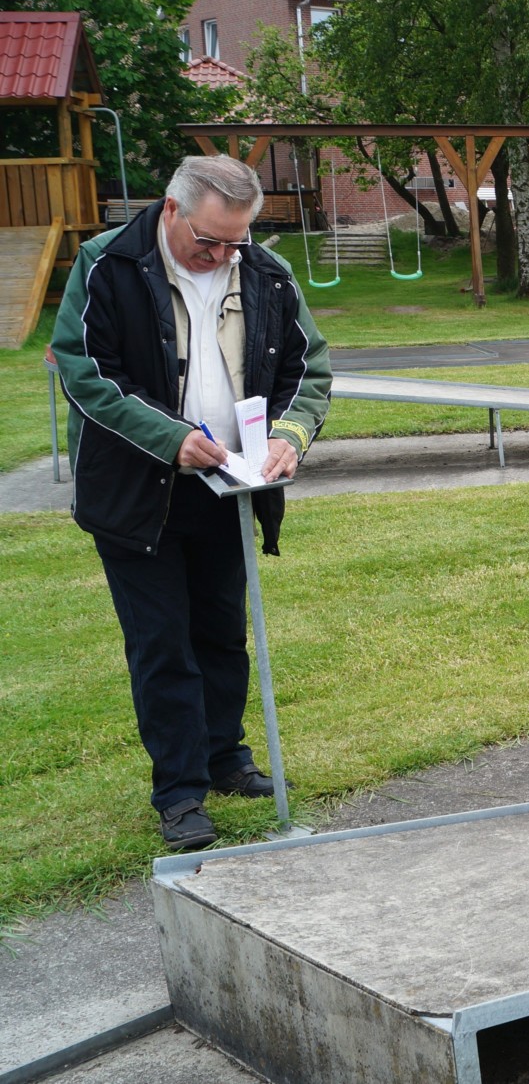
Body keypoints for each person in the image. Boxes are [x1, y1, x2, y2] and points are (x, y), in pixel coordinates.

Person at [50, 155, 333, 851]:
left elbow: (310, 369)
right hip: (134, 493)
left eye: (236, 240)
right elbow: (85, 371)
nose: (223, 254)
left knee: (219, 630)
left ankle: (225, 756)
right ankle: (179, 792)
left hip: (229, 486)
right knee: (162, 642)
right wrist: (169, 437)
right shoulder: (107, 263)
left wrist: (291, 436)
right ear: (171, 211)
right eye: (210, 240)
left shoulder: (265, 271)